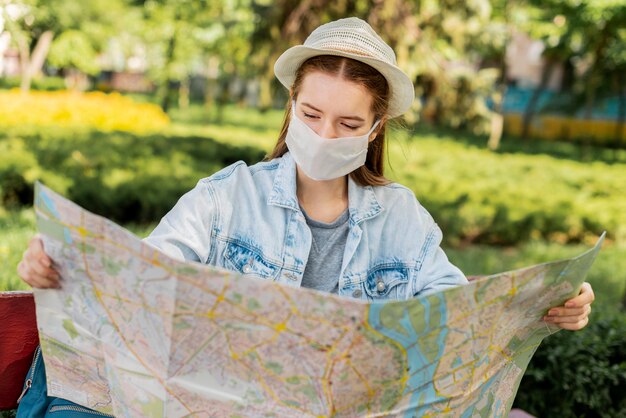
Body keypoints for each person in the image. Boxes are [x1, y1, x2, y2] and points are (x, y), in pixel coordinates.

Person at [16, 17, 594, 415]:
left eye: (346, 125)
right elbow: (146, 271)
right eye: (311, 113)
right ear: (291, 105)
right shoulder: (226, 197)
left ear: (374, 128)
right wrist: (58, 264)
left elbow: (456, 310)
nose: (323, 135)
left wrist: (546, 303)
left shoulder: (402, 218)